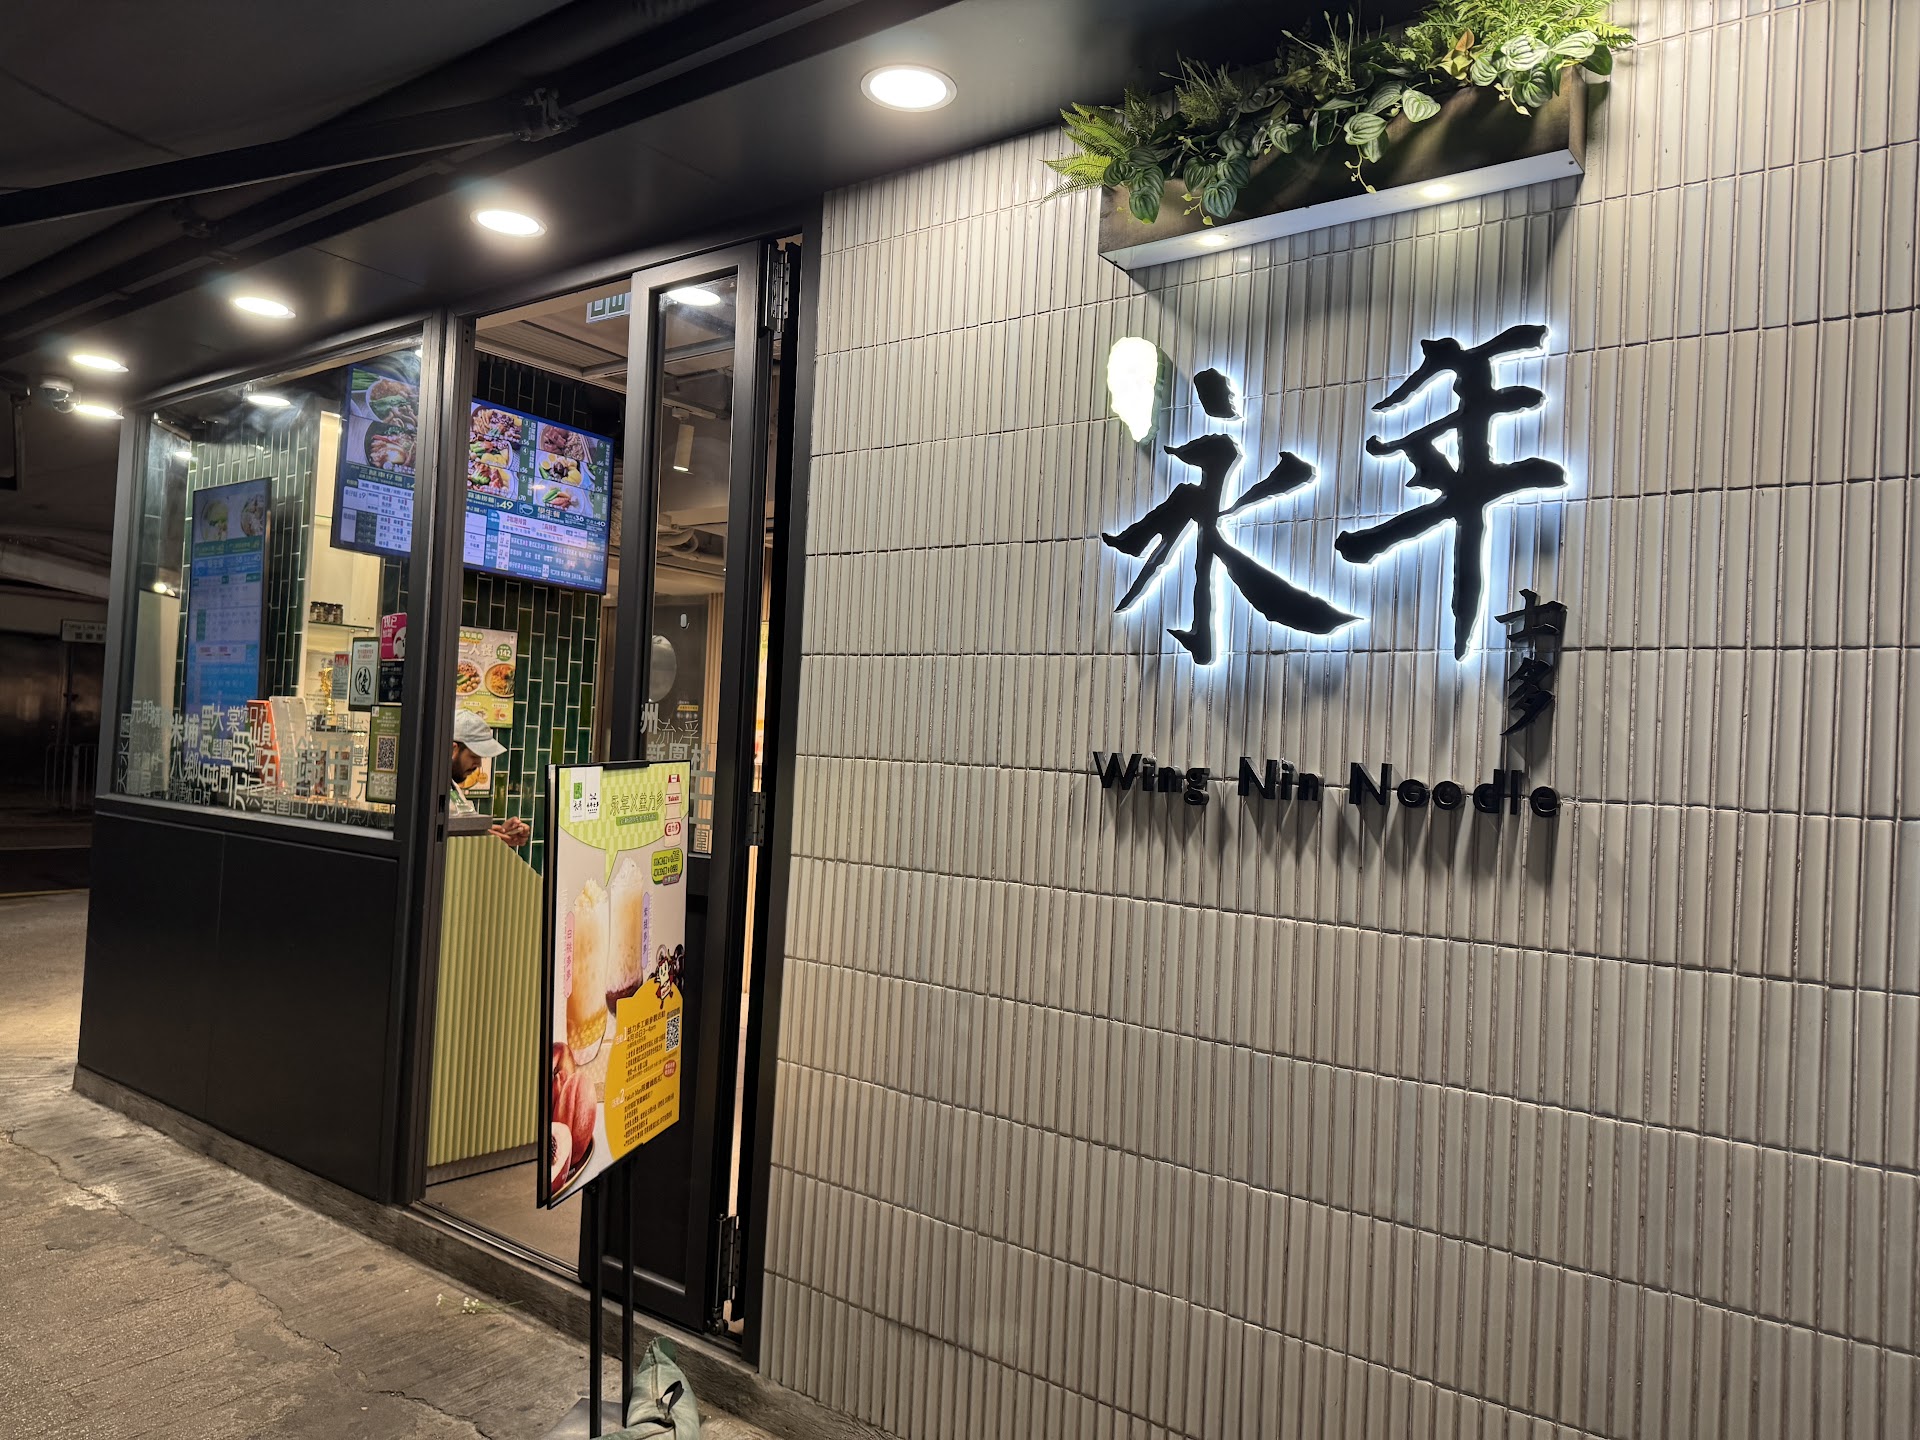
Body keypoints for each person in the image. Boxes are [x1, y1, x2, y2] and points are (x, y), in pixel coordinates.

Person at [451, 709, 530, 847]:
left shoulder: (453, 787)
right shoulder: (424, 789)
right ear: (453, 749)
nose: (479, 764)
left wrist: (499, 834)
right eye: (474, 756)